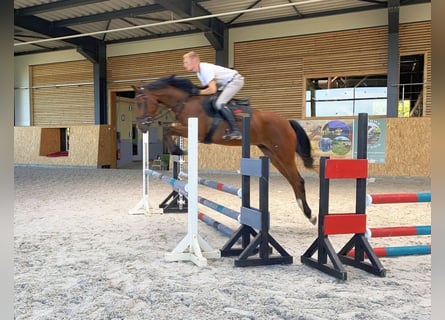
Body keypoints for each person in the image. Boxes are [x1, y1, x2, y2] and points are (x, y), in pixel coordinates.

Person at [183, 51, 244, 140]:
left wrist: (198, 92)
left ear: (194, 61)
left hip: (235, 81)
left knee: (219, 103)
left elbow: (212, 89)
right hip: (224, 84)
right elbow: (207, 89)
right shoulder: (199, 73)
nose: (184, 65)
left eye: (186, 62)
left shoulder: (205, 69)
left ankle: (236, 131)